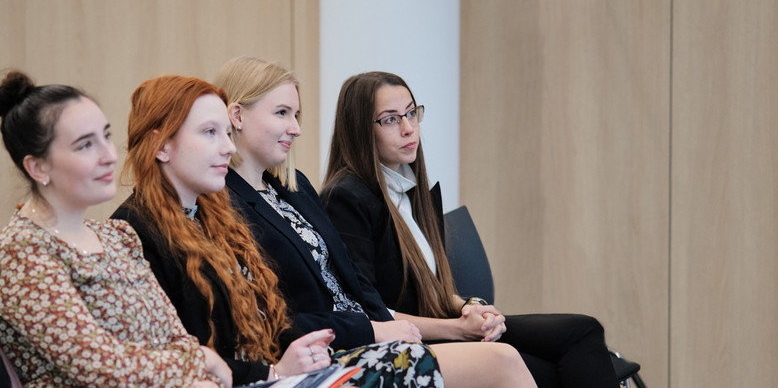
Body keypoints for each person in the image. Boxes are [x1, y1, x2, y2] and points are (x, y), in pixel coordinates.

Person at [214, 55, 537, 388]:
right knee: (503, 361)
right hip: (323, 355)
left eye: (296, 115)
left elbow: (355, 281)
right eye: (282, 113)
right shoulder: (224, 204)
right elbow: (269, 317)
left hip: (368, 338)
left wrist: (397, 327)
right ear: (237, 115)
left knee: (544, 344)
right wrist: (374, 330)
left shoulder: (294, 187)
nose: (296, 128)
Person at [112, 74, 447, 388]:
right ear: (162, 147)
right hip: (248, 378)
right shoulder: (134, 230)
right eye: (210, 133)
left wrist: (290, 360)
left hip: (269, 369)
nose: (228, 148)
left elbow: (263, 318)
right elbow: (170, 355)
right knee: (412, 360)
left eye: (226, 134)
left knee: (425, 356)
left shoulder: (210, 216)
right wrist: (275, 371)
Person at [321, 71, 621, 388]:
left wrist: (470, 308)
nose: (409, 128)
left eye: (411, 113)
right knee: (554, 369)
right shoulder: (346, 199)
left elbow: (429, 286)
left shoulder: (408, 187)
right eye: (391, 119)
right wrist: (459, 327)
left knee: (583, 332)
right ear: (359, 130)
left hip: (443, 324)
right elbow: (370, 313)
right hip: (409, 345)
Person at [0, 70, 229, 387]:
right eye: (85, 145)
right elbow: (100, 365)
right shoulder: (20, 254)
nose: (109, 155)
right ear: (38, 167)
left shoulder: (117, 236)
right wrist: (199, 362)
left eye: (106, 136)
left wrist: (196, 371)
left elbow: (176, 337)